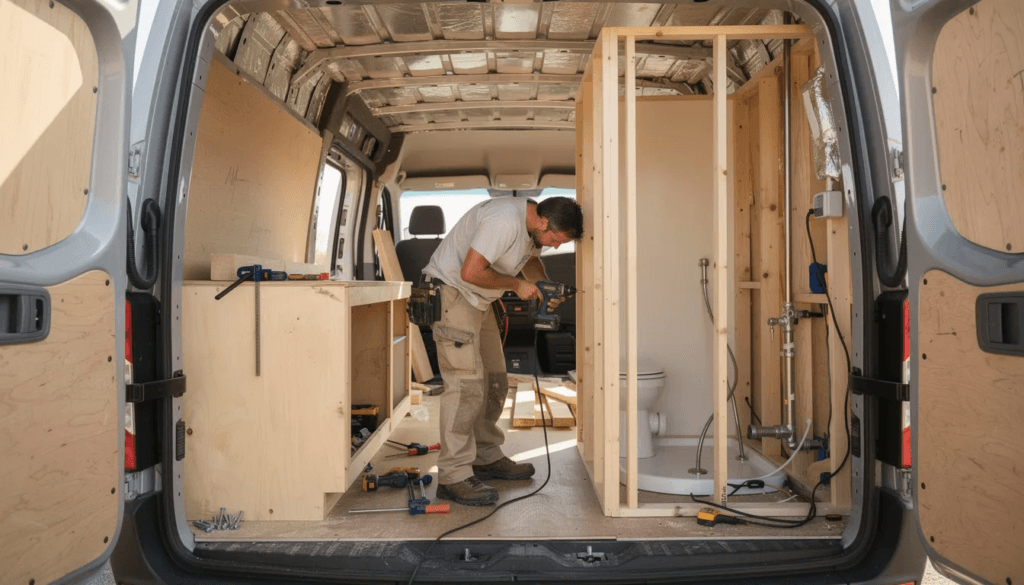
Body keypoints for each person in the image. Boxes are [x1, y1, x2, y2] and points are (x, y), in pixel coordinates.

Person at [422, 196, 584, 506]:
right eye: (555, 239)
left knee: (495, 380)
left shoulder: (532, 226)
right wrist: (516, 285)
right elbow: (471, 272)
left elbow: (530, 260)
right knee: (465, 387)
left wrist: (543, 286)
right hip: (454, 294)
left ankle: (485, 456)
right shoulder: (503, 221)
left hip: (479, 301)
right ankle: (453, 475)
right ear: (543, 222)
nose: (554, 246)